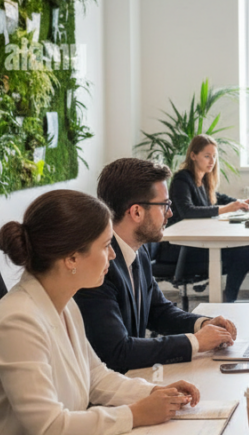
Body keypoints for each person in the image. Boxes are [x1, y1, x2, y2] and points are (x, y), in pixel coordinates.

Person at [0, 190, 200, 435]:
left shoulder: (64, 304)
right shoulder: (18, 322)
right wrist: (135, 414)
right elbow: (49, 430)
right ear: (71, 257)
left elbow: (96, 377)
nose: (113, 254)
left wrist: (153, 394)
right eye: (105, 246)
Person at [74, 158, 237, 373]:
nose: (170, 213)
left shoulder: (138, 251)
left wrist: (203, 325)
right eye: (164, 205)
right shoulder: (98, 266)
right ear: (136, 212)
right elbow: (117, 353)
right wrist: (195, 342)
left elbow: (157, 311)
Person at [167, 134, 249, 302]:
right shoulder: (182, 179)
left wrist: (239, 202)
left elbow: (217, 197)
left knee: (248, 248)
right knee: (246, 252)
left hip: (197, 243)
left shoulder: (202, 179)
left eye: (214, 157)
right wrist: (227, 209)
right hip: (182, 249)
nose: (211, 161)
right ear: (193, 155)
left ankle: (238, 296)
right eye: (207, 156)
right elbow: (188, 211)